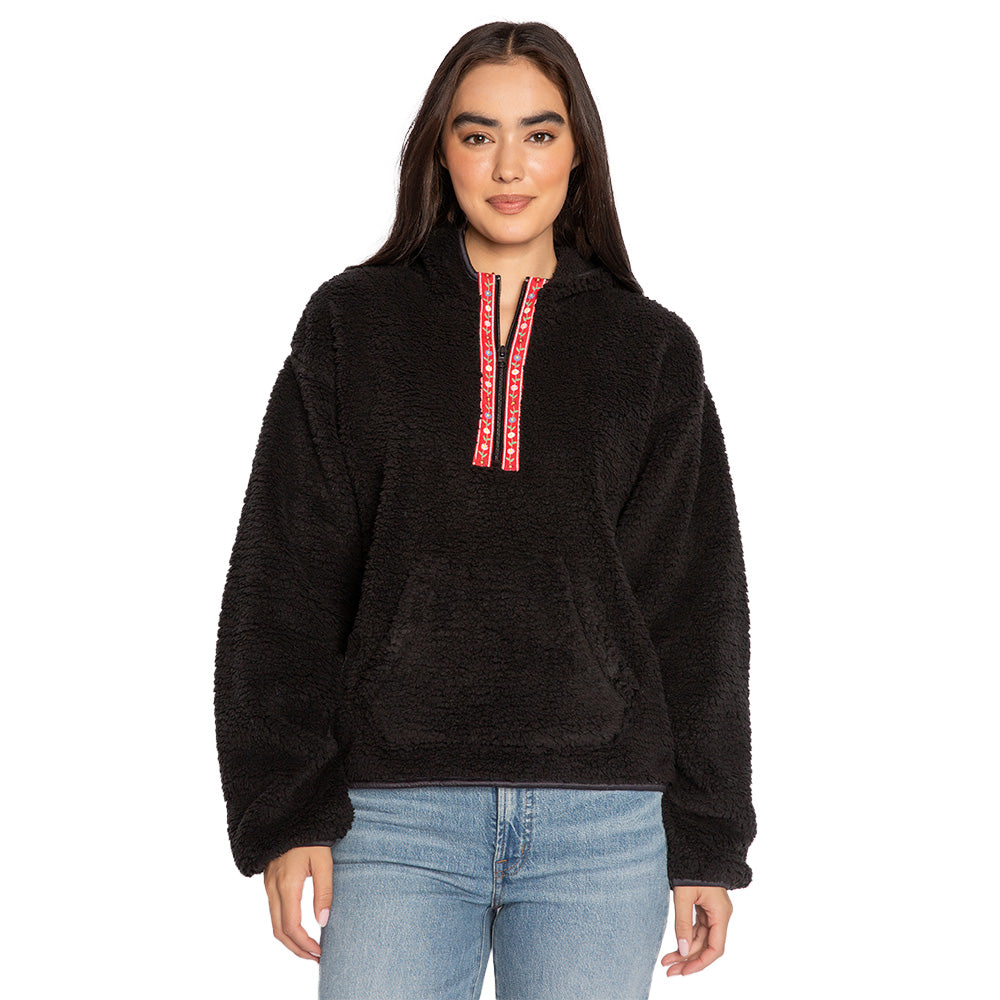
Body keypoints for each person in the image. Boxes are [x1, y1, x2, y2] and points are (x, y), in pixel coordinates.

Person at [214, 20, 757, 1000]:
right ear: (441, 150)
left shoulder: (649, 350)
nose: (510, 166)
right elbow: (283, 579)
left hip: (603, 826)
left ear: (578, 151)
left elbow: (695, 608)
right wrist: (285, 808)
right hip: (391, 816)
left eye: (539, 133)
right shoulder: (353, 324)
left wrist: (708, 838)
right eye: (478, 134)